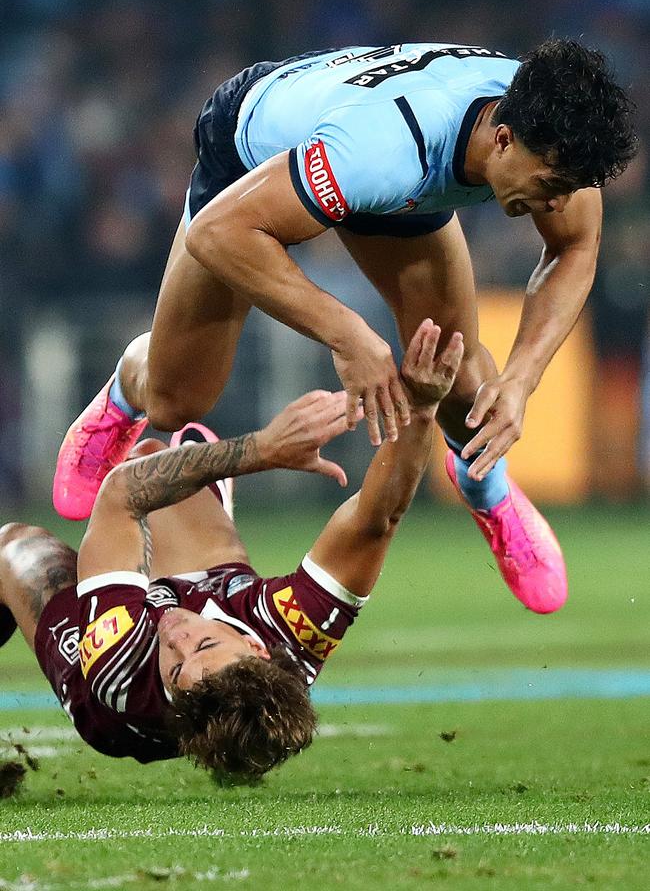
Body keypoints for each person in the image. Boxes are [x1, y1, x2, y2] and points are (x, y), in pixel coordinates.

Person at [52, 39, 637, 615]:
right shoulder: (383, 149)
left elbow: (574, 249)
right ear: (503, 139)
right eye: (549, 189)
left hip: (380, 170)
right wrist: (349, 334)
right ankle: (131, 384)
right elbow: (217, 233)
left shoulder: (556, 127)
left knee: (460, 373)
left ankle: (487, 490)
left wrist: (520, 381)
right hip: (253, 160)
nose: (556, 206)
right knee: (178, 400)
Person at [3, 321, 464, 782]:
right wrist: (421, 408)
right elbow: (377, 519)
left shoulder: (118, 668)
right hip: (211, 590)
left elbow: (120, 494)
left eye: (178, 669)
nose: (177, 636)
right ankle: (195, 483)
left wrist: (264, 449)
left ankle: (192, 470)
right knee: (150, 456)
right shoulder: (294, 628)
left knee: (13, 547)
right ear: (255, 646)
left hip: (106, 688)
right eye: (203, 644)